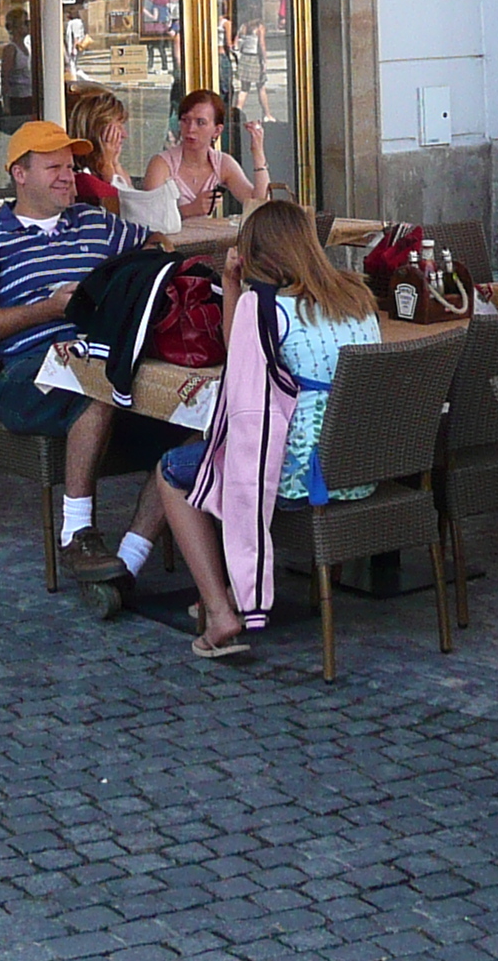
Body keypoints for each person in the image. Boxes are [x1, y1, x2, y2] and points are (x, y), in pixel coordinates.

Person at [155, 199, 386, 660]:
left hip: (302, 476)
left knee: (175, 471)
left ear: (255, 254)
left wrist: (229, 282)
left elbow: (235, 363)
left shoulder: (266, 311)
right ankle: (224, 591)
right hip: (360, 468)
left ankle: (220, 609)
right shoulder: (359, 299)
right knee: (216, 458)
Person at [0, 118, 156, 587]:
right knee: (95, 379)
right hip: (23, 379)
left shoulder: (96, 223)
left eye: (72, 166)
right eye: (54, 167)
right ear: (20, 175)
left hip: (105, 360)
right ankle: (76, 533)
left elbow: (154, 250)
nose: (69, 176)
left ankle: (135, 553)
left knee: (197, 409)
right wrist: (45, 310)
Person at [142, 89, 270, 214]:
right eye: (185, 120)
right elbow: (150, 216)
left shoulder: (221, 163)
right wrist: (190, 209)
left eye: (200, 122)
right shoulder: (162, 164)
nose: (191, 128)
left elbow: (259, 205)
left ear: (217, 131)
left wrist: (258, 152)